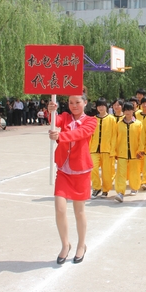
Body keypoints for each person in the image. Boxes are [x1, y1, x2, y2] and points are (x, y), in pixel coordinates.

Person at [48, 93, 97, 265]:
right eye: (70, 102)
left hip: (81, 171)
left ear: (85, 102)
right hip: (63, 169)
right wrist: (51, 111)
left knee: (79, 211)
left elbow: (80, 134)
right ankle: (65, 244)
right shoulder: (65, 117)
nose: (74, 105)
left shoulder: (91, 121)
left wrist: (60, 137)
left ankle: (81, 245)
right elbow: (55, 121)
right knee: (60, 209)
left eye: (77, 102)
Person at [112, 102, 143, 202]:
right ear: (123, 111)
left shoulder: (138, 124)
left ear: (133, 111)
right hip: (122, 153)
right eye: (126, 110)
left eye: (130, 110)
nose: (128, 112)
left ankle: (134, 187)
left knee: (134, 172)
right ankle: (120, 192)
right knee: (121, 173)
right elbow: (115, 139)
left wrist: (140, 151)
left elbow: (141, 139)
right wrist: (115, 152)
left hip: (135, 153)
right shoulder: (119, 124)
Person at [89, 98, 116, 198]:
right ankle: (96, 187)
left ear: (106, 106)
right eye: (99, 106)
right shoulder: (93, 119)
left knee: (107, 172)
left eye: (102, 105)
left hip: (107, 149)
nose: (101, 108)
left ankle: (106, 189)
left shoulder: (111, 119)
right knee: (93, 168)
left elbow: (114, 135)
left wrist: (112, 150)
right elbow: (90, 135)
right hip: (94, 149)